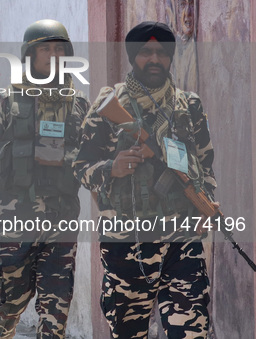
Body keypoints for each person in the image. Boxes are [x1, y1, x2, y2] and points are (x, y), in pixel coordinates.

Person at [73, 21, 214, 338]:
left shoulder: (188, 106)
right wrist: (112, 167)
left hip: (182, 240)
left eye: (162, 53)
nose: (154, 59)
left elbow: (205, 163)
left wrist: (206, 201)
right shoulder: (110, 105)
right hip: (127, 242)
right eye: (145, 52)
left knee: (191, 330)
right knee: (128, 332)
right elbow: (80, 165)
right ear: (132, 56)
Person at [0, 19, 89, 338]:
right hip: (15, 218)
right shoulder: (6, 101)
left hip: (62, 219)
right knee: (10, 303)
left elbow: (93, 163)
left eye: (58, 49)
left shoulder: (78, 105)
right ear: (30, 55)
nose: (52, 55)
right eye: (44, 49)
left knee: (56, 311)